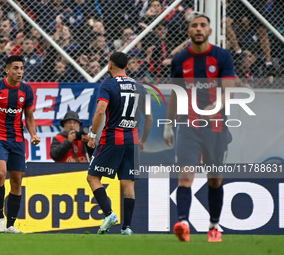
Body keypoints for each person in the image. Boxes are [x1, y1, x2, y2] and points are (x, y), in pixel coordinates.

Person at [163, 13, 235, 242]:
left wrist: (219, 103)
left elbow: (229, 89)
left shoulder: (222, 56)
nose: (198, 29)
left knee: (215, 179)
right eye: (194, 25)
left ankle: (214, 226)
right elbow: (176, 93)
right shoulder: (179, 60)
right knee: (185, 176)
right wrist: (168, 124)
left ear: (210, 31)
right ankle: (183, 223)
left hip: (215, 126)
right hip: (188, 124)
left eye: (203, 25)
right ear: (189, 32)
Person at [87, 52, 153, 235]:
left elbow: (100, 111)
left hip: (112, 138)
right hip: (132, 140)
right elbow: (149, 119)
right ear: (126, 66)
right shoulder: (140, 87)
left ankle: (109, 214)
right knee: (128, 183)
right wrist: (144, 140)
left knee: (92, 177)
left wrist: (92, 134)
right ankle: (127, 228)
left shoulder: (108, 84)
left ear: (110, 65)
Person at [0, 55, 41, 234]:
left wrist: (34, 135)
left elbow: (29, 117)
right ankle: (0, 219)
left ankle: (11, 224)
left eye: (21, 68)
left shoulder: (26, 91)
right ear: (7, 70)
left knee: (17, 180)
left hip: (17, 140)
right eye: (15, 68)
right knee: (0, 174)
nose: (19, 72)